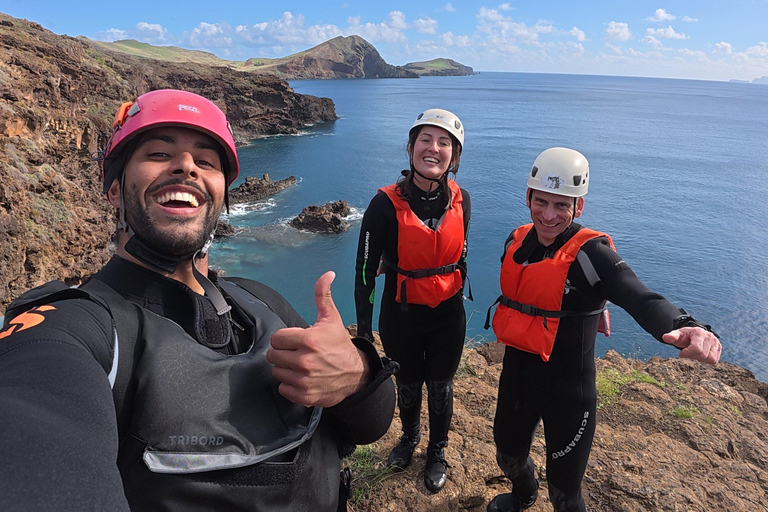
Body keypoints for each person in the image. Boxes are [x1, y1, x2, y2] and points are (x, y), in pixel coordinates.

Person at [0, 89, 397, 512]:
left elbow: (372, 423)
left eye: (205, 161)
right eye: (158, 153)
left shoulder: (260, 300)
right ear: (115, 190)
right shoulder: (77, 329)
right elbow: (34, 419)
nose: (186, 166)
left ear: (222, 196)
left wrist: (357, 373)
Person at [484, 147, 721, 512]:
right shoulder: (516, 240)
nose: (548, 215)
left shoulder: (592, 254)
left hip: (569, 393)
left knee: (564, 493)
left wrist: (688, 326)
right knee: (508, 458)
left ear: (579, 206)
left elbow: (640, 297)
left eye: (561, 205)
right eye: (541, 202)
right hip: (517, 378)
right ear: (528, 197)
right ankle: (523, 493)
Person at [354, 109, 471, 493]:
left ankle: (437, 449)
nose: (433, 149)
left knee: (441, 385)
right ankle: (409, 438)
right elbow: (365, 273)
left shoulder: (462, 200)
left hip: (448, 315)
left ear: (454, 156)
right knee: (407, 384)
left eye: (444, 143)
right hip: (401, 314)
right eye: (425, 140)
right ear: (410, 148)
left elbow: (460, 255)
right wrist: (366, 334)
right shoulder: (384, 205)